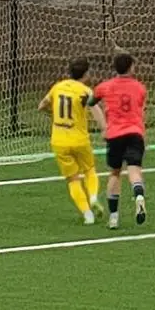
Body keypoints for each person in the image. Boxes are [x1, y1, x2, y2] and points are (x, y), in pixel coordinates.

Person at [38, 58, 103, 224]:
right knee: (89, 170)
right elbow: (96, 111)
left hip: (59, 140)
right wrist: (105, 129)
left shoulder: (58, 87)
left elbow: (42, 105)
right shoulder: (85, 91)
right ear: (86, 74)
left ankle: (87, 214)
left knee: (73, 179)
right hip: (79, 139)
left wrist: (53, 115)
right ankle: (94, 197)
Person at [91, 52, 149, 229]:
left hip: (115, 134)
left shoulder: (105, 87)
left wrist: (103, 125)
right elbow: (141, 109)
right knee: (134, 170)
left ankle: (114, 217)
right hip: (135, 132)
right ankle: (138, 195)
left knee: (115, 173)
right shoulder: (140, 87)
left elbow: (91, 101)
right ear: (131, 67)